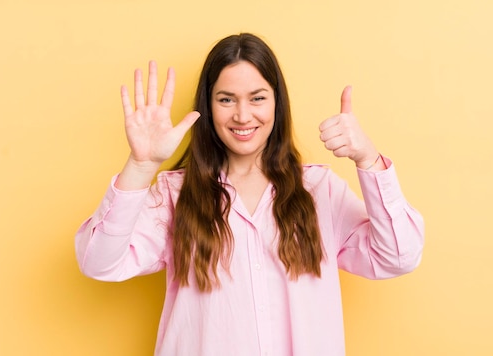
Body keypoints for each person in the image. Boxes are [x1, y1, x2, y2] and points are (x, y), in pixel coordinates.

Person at [75, 33, 424, 356]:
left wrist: (369, 159)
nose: (243, 116)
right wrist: (140, 165)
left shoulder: (319, 191)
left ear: (277, 103)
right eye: (226, 99)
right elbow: (100, 263)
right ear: (208, 106)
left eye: (257, 98)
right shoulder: (174, 194)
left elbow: (398, 255)